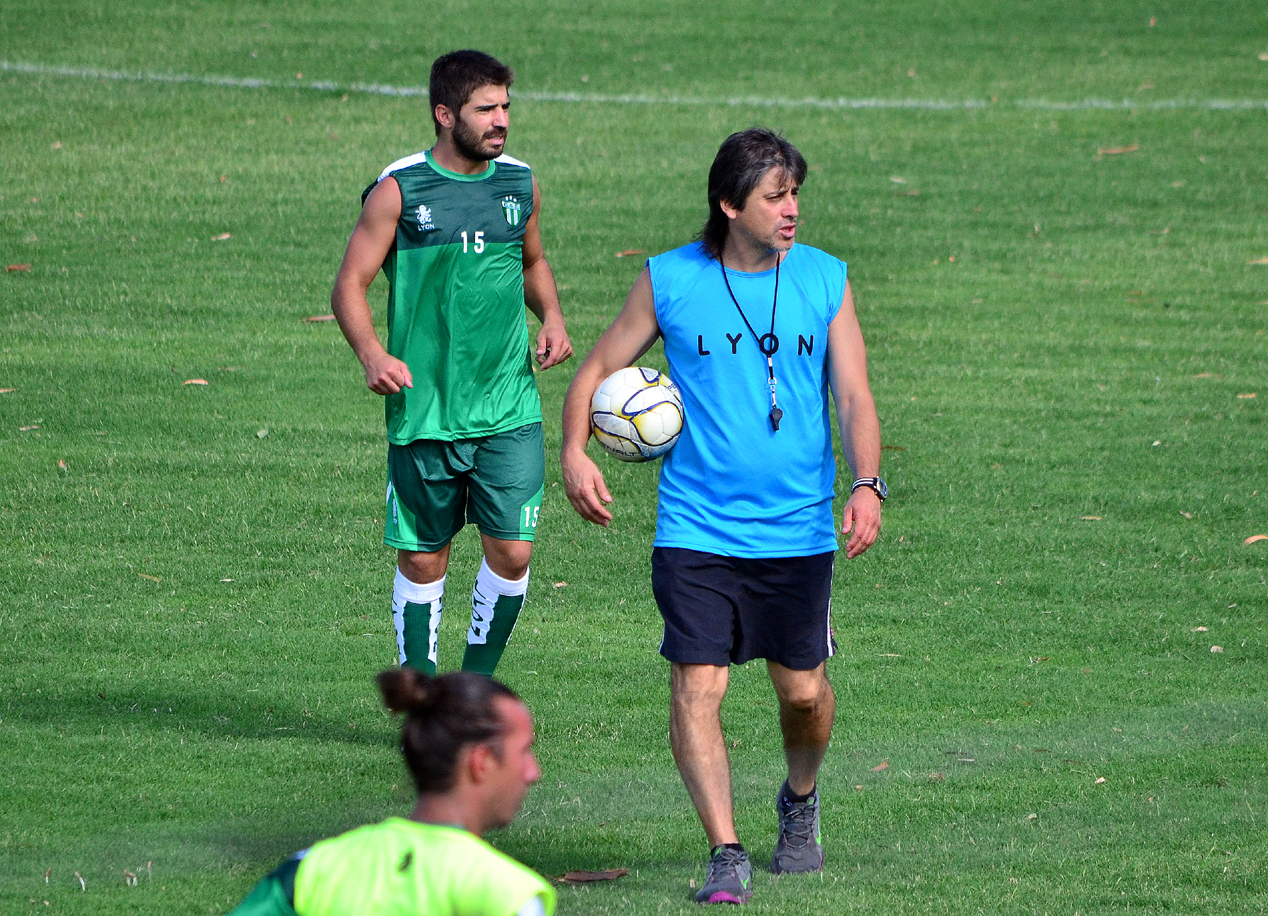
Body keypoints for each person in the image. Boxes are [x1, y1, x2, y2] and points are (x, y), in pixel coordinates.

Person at [560, 128, 884, 904]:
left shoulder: (824, 278)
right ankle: (725, 850)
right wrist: (573, 451)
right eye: (775, 197)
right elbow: (598, 370)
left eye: (795, 194)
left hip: (797, 529)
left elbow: (854, 394)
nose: (791, 210)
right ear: (729, 203)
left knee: (802, 693)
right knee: (696, 686)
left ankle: (799, 803)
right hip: (696, 529)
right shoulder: (669, 280)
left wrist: (867, 482)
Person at [331, 49, 572, 677]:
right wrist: (372, 353)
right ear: (445, 114)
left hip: (507, 404)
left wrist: (552, 317)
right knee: (423, 561)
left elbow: (532, 261)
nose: (501, 121)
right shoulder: (400, 190)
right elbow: (350, 283)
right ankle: (422, 693)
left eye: (505, 108)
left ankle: (473, 687)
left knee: (513, 552)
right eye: (485, 109)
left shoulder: (520, 184)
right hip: (427, 409)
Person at [229, 668, 554, 916]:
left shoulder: (315, 868)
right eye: (523, 752)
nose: (532, 772)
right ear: (481, 762)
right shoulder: (505, 894)